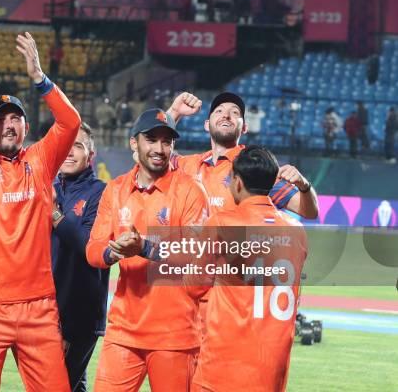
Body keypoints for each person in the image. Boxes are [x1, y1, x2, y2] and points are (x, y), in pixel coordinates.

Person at [0, 32, 81, 392]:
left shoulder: (40, 160)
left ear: (25, 126)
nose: (9, 124)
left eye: (16, 118)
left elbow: (70, 123)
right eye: (0, 119)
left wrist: (40, 78)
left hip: (38, 307)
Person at [86, 108, 209, 391]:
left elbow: (195, 255)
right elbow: (93, 250)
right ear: (134, 143)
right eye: (151, 139)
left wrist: (144, 247)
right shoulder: (115, 190)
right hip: (123, 331)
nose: (160, 148)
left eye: (167, 141)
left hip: (174, 336)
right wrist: (113, 252)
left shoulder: (190, 191)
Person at [192, 146, 307, 392]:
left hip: (223, 365)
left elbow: (193, 282)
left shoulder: (222, 222)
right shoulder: (296, 230)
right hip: (271, 369)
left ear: (238, 182)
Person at [167, 91, 318, 219]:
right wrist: (174, 113)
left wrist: (304, 185)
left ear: (244, 127)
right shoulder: (188, 166)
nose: (226, 115)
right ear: (207, 124)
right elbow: (147, 154)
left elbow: (309, 212)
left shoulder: (256, 167)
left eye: (234, 112)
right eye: (219, 111)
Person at [51, 122, 108, 391]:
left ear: (91, 156)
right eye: (66, 145)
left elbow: (88, 244)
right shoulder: (48, 187)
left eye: (78, 146)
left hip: (78, 315)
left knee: (58, 385)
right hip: (47, 311)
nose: (70, 153)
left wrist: (54, 214)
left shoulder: (100, 193)